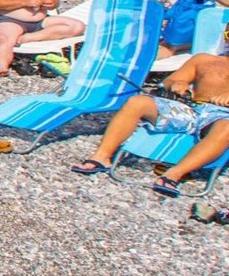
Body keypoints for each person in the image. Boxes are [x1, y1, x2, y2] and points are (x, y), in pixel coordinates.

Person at [70, 52, 229, 195]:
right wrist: (177, 83)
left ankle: (174, 174)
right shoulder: (204, 60)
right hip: (189, 108)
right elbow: (169, 81)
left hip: (222, 116)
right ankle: (102, 157)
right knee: (137, 102)